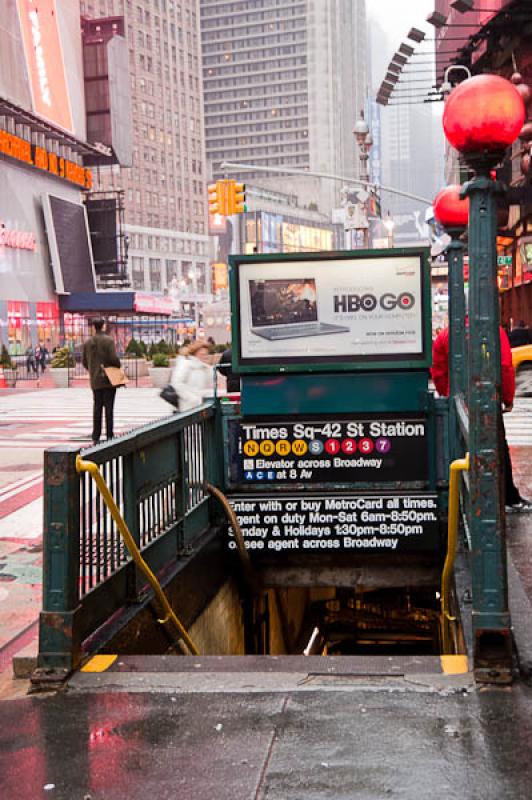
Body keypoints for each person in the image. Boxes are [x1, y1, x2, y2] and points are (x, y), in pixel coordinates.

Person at [431, 325, 532, 512]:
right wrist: (507, 398)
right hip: (486, 398)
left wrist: (448, 393)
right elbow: (504, 366)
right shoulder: (493, 329)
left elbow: (438, 370)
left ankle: (466, 498)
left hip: (460, 399)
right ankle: (508, 498)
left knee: (461, 447)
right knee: (497, 446)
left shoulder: (446, 335)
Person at [82, 318, 121, 444]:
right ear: (103, 326)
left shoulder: (88, 342)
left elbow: (84, 362)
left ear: (94, 327)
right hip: (108, 380)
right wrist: (117, 365)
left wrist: (93, 370)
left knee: (97, 407)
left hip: (95, 381)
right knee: (109, 408)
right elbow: (113, 358)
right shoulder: (108, 340)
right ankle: (109, 435)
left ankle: (96, 435)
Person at [170, 340, 218, 411]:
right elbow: (176, 383)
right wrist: (192, 398)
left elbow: (209, 384)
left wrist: (208, 367)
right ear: (195, 353)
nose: (205, 356)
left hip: (199, 405)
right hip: (186, 406)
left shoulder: (203, 367)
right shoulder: (185, 364)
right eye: (202, 354)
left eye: (206, 354)